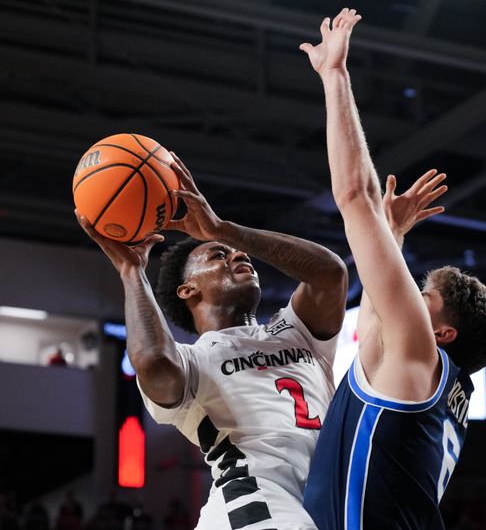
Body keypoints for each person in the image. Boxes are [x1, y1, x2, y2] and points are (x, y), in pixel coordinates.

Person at [300, 8, 486, 529]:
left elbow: (353, 196)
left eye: (423, 295)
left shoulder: (416, 352)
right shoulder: (418, 372)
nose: (409, 298)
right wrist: (390, 235)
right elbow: (372, 313)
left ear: (440, 331)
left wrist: (336, 76)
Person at [75, 153, 348, 530]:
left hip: (327, 505)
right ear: (188, 290)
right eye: (218, 254)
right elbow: (153, 362)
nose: (237, 254)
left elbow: (331, 274)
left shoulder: (295, 331)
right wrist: (131, 271)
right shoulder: (191, 361)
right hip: (255, 506)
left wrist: (222, 230)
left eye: (234, 250)